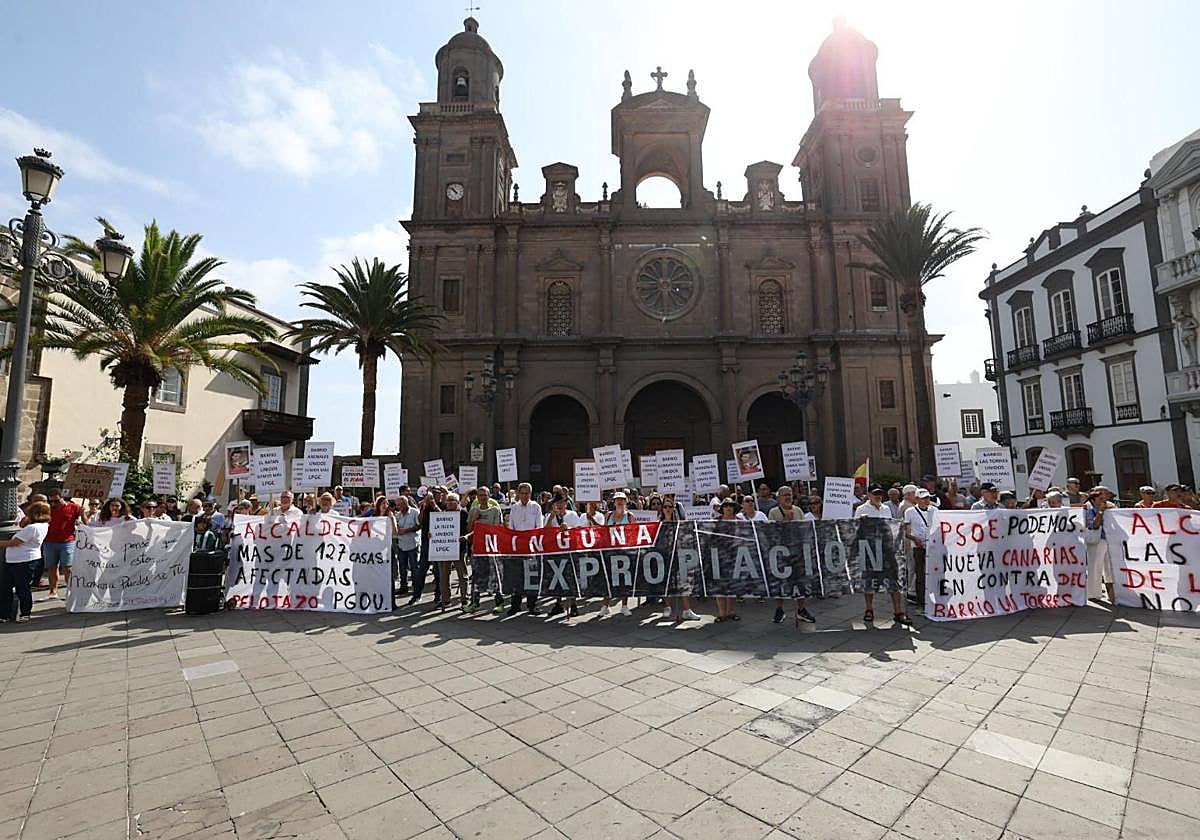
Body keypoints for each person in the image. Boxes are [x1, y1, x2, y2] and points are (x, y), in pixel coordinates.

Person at [769, 486, 815, 625]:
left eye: (789, 495)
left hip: (797, 552)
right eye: (784, 495)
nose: (788, 497)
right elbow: (771, 532)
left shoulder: (798, 511)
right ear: (779, 498)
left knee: (800, 582)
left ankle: (801, 609)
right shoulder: (774, 512)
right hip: (781, 553)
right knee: (780, 583)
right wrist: (785, 522)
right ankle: (779, 609)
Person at [0, 501, 50, 623]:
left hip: (23, 561)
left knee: (22, 588)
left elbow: (14, 542)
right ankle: (5, 613)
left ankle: (24, 613)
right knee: (5, 587)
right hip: (16, 560)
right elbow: (21, 526)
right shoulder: (41, 525)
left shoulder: (32, 528)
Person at [658, 496, 700, 622]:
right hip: (664, 556)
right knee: (667, 583)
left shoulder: (680, 523)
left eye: (670, 507)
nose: (667, 509)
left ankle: (687, 610)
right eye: (665, 507)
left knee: (683, 582)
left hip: (679, 555)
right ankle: (668, 606)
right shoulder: (659, 523)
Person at [506, 483, 543, 616]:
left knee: (531, 577)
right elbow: (511, 526)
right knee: (517, 577)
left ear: (530, 494)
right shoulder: (514, 507)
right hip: (517, 548)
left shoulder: (536, 507)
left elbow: (539, 526)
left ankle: (532, 605)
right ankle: (515, 605)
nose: (524, 495)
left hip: (531, 547)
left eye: (527, 493)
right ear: (518, 494)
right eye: (522, 493)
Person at [466, 486, 504, 613]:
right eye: (480, 495)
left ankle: (499, 602)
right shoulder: (473, 510)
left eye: (485, 495)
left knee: (495, 575)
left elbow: (496, 529)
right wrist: (473, 519)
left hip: (491, 548)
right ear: (477, 497)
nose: (482, 497)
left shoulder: (494, 510)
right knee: (476, 576)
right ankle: (475, 602)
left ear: (489, 496)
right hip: (477, 548)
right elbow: (469, 529)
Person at [43, 488, 83, 600]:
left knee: (67, 567)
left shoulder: (74, 507)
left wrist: (81, 517)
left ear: (62, 498)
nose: (53, 504)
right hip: (49, 541)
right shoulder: (48, 508)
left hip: (67, 541)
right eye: (51, 501)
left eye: (56, 501)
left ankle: (70, 590)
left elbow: (84, 521)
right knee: (51, 567)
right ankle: (52, 591)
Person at [544, 494, 581, 618]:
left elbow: (578, 531)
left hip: (570, 550)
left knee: (571, 577)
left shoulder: (572, 515)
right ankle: (558, 603)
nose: (559, 505)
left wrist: (568, 528)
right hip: (556, 551)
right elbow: (546, 531)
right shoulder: (551, 516)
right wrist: (552, 517)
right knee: (556, 578)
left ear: (565, 503)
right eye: (556, 503)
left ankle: (573, 604)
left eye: (561, 503)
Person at [410, 487, 445, 607]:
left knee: (438, 572)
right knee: (421, 571)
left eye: (436, 494)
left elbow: (443, 519)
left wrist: (434, 505)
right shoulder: (424, 507)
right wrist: (424, 508)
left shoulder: (443, 505)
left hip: (438, 544)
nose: (433, 496)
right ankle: (416, 595)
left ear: (440, 495)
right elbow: (420, 522)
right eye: (431, 494)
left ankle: (438, 596)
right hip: (426, 542)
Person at [600, 492, 634, 617]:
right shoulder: (608, 515)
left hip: (625, 552)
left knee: (624, 580)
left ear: (626, 501)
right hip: (610, 552)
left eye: (622, 500)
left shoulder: (630, 516)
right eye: (617, 500)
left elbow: (635, 535)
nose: (619, 502)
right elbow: (603, 533)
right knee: (608, 579)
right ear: (613, 502)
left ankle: (624, 606)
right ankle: (605, 606)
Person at [436, 492, 470, 611]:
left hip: (459, 550)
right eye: (448, 500)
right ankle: (446, 599)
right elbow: (435, 529)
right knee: (444, 576)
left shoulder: (464, 514)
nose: (450, 502)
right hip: (444, 550)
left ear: (457, 502)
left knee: (462, 575)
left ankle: (464, 598)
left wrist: (466, 537)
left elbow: (471, 529)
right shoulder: (441, 515)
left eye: (453, 500)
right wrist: (432, 535)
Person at [1085, 486, 1116, 604]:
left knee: (1110, 568)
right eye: (1100, 498)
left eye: (1105, 498)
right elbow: (1094, 525)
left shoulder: (1111, 508)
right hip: (1096, 541)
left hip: (1109, 541)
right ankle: (1093, 594)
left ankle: (1112, 593)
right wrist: (1101, 512)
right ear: (1093, 500)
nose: (1104, 500)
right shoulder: (1089, 510)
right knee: (1095, 567)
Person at [904, 489, 935, 608]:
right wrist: (915, 539)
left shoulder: (934, 510)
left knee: (932, 572)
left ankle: (931, 596)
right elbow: (907, 532)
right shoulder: (910, 511)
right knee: (920, 573)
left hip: (932, 546)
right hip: (918, 547)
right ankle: (921, 600)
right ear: (917, 499)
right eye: (924, 498)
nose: (927, 500)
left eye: (928, 498)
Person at [713, 499, 740, 623]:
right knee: (720, 585)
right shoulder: (716, 522)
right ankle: (721, 613)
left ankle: (731, 611)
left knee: (732, 585)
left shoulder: (740, 521)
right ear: (722, 508)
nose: (729, 508)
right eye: (726, 506)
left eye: (731, 506)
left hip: (735, 556)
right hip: (719, 556)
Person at [393, 494, 420, 601]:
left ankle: (416, 588)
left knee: (414, 567)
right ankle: (403, 587)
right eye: (397, 505)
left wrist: (407, 530)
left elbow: (419, 526)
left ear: (405, 503)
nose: (398, 507)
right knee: (402, 568)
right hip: (401, 545)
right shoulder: (398, 515)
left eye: (400, 505)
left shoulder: (415, 512)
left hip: (413, 544)